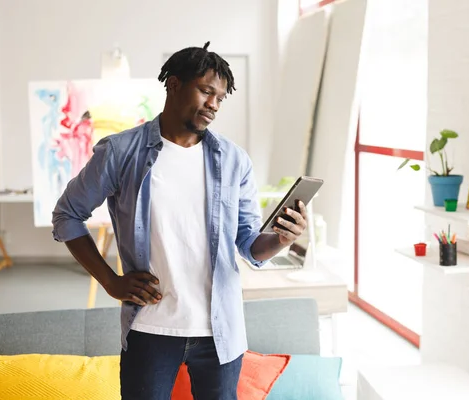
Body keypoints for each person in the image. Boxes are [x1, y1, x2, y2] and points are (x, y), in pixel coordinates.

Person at [51, 42, 308, 400]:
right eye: (206, 91)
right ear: (173, 84)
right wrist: (110, 281)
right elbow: (67, 215)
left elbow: (250, 244)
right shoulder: (120, 153)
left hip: (220, 334)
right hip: (150, 328)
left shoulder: (234, 161)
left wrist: (281, 237)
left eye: (221, 98)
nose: (214, 105)